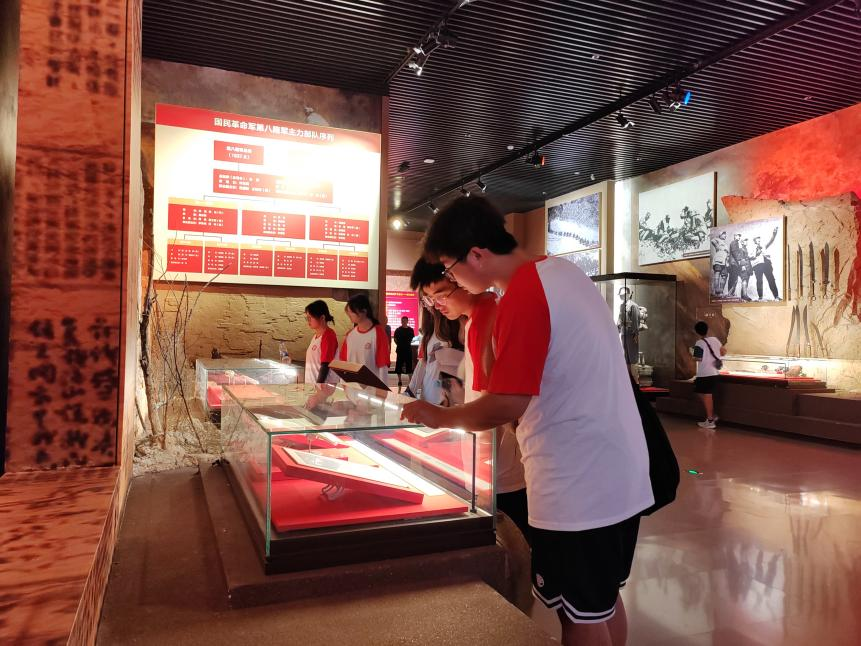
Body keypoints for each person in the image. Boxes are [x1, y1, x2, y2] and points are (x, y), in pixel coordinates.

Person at [402, 196, 652, 646]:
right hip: (617, 473)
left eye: (451, 270)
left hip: (575, 482)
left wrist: (439, 416)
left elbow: (507, 403)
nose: (452, 280)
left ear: (476, 254)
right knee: (601, 600)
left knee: (579, 616)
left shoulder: (524, 293)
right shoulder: (564, 272)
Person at [410, 257, 530, 543]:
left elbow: (500, 404)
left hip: (501, 470)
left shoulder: (493, 317)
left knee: (514, 544)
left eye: (441, 294)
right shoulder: (474, 320)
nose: (437, 305)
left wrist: (442, 417)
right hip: (488, 464)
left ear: (461, 277)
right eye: (430, 300)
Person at [340, 294, 390, 386]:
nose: (349, 314)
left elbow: (383, 366)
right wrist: (344, 386)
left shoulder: (378, 333)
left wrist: (382, 391)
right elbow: (344, 364)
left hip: (371, 390)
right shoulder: (350, 335)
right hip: (351, 390)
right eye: (348, 311)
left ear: (364, 311)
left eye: (352, 311)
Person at [692, 320, 726, 430]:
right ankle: (711, 415)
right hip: (715, 372)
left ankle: (710, 420)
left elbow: (698, 358)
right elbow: (724, 351)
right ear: (708, 329)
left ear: (696, 332)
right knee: (703, 393)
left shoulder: (699, 343)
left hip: (704, 373)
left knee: (705, 394)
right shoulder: (715, 340)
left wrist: (692, 354)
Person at [303, 300, 339, 384]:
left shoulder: (328, 335)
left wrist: (318, 386)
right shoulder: (315, 337)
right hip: (312, 386)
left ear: (322, 317)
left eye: (310, 317)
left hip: (322, 388)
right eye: (307, 318)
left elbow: (325, 364)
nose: (308, 320)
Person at [617, 286, 641, 384]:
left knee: (633, 357)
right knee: (626, 356)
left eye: (624, 295)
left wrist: (636, 334)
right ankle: (628, 380)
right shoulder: (622, 306)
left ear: (629, 294)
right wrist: (618, 330)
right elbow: (619, 318)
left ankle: (635, 381)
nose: (622, 296)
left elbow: (635, 320)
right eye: (621, 295)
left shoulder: (633, 306)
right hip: (624, 333)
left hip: (631, 333)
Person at [752, 227, 780, 301]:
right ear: (754, 241)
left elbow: (771, 241)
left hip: (766, 264)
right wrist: (756, 254)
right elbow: (749, 256)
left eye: (759, 238)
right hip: (758, 265)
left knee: (771, 279)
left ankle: (776, 296)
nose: (759, 239)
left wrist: (774, 234)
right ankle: (760, 297)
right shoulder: (751, 248)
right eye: (757, 239)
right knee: (759, 281)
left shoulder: (763, 246)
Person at [393, 316, 415, 390]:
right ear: (401, 321)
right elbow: (395, 339)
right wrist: (400, 344)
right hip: (400, 349)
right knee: (399, 364)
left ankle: (410, 381)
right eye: (402, 321)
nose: (404, 322)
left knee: (409, 364)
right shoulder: (398, 330)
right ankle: (399, 380)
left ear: (407, 321)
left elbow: (412, 338)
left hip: (408, 349)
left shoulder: (410, 330)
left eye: (405, 321)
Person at [711, 231, 729, 297]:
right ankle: (717, 291)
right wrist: (717, 246)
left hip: (724, 261)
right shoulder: (718, 240)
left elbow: (728, 253)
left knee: (724, 275)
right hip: (718, 259)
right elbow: (712, 240)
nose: (725, 236)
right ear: (720, 235)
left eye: (725, 235)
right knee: (717, 274)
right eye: (723, 234)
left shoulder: (725, 244)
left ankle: (721, 291)